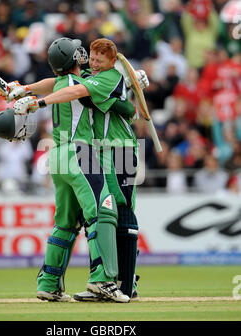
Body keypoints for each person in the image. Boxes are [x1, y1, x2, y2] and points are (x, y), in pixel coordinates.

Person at [10, 38, 149, 300]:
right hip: (80, 152)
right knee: (104, 211)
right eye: (81, 54)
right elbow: (76, 91)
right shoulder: (77, 84)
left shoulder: (67, 80)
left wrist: (25, 90)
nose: (87, 58)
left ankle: (49, 283)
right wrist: (35, 101)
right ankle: (103, 280)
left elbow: (56, 85)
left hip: (58, 155)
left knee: (65, 223)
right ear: (75, 59)